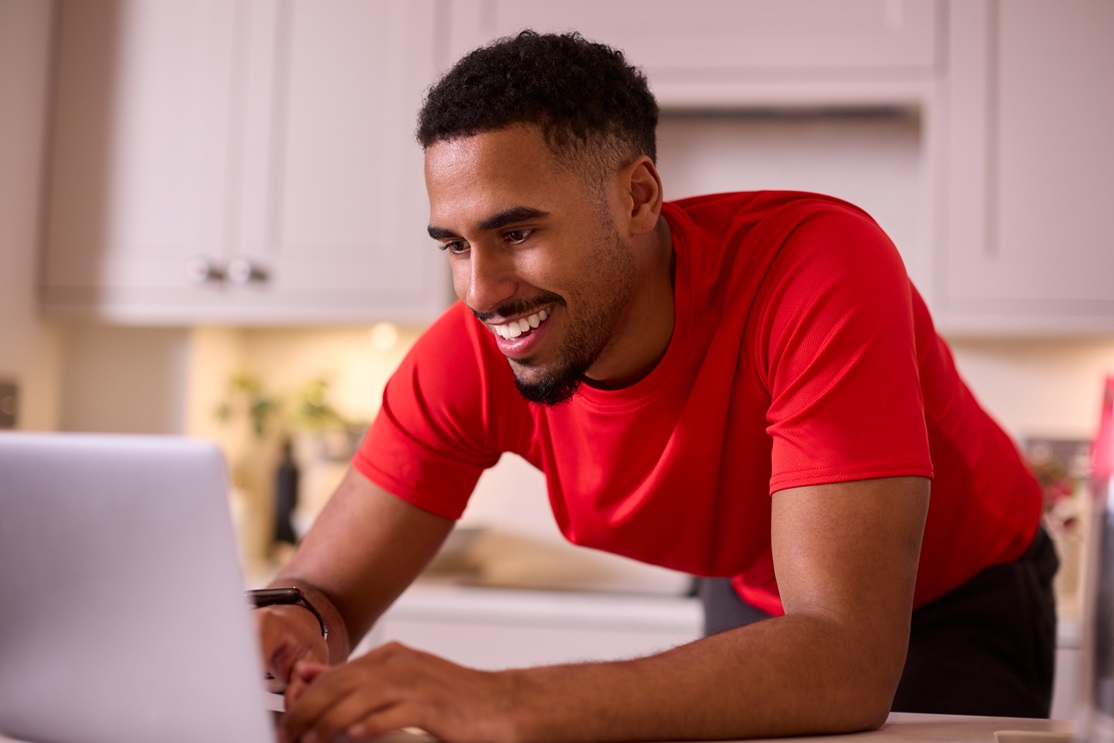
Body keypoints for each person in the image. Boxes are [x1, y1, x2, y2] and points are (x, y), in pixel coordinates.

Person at [255, 31, 1055, 743]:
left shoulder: (819, 268)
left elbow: (846, 655)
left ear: (638, 197)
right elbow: (324, 591)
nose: (481, 291)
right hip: (759, 598)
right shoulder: (473, 352)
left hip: (951, 598)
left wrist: (506, 702)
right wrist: (291, 619)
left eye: (518, 232)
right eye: (455, 245)